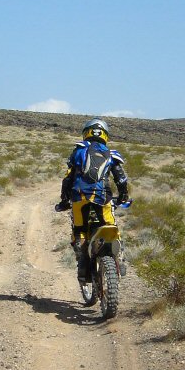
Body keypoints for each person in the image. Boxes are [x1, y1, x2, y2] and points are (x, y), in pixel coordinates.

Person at [55, 118, 130, 282]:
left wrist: (64, 200)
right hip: (103, 197)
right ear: (105, 135)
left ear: (86, 132)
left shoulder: (79, 150)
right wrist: (123, 197)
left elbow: (68, 178)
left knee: (79, 229)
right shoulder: (111, 154)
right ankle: (120, 259)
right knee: (110, 226)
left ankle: (82, 262)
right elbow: (121, 179)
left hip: (79, 197)